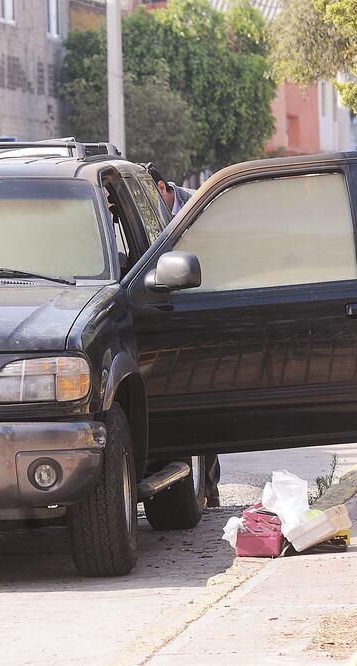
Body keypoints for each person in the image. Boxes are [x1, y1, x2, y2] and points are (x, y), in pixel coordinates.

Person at [144, 162, 220, 507]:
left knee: (203, 401)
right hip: (161, 311)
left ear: (162, 189)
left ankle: (209, 487)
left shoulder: (196, 206)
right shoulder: (147, 212)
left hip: (197, 309)